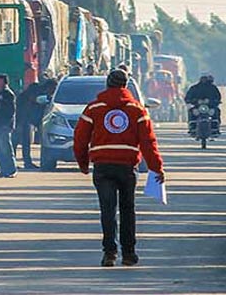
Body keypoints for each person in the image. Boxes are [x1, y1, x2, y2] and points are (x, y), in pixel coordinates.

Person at [74, 69, 165, 267]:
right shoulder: (137, 110)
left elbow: (80, 138)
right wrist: (156, 167)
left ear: (107, 84)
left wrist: (83, 164)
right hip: (127, 167)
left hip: (103, 167)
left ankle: (109, 253)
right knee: (127, 209)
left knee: (107, 210)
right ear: (125, 85)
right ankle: (129, 253)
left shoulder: (94, 108)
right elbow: (148, 142)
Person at [14, 73, 55, 170]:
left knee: (25, 142)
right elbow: (33, 99)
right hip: (22, 117)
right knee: (17, 140)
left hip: (29, 119)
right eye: (53, 88)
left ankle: (26, 162)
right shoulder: (36, 89)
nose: (53, 91)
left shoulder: (44, 93)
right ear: (49, 86)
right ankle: (14, 162)